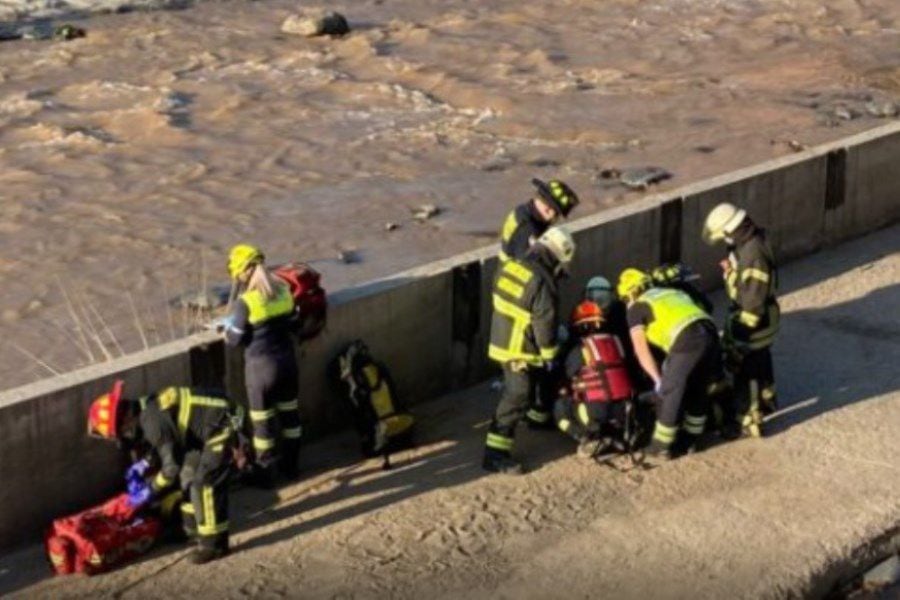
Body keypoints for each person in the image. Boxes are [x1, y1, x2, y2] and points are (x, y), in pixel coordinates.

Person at [87, 381, 239, 564]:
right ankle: (190, 530)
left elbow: (171, 469)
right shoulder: (145, 410)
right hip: (201, 434)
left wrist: (149, 490)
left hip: (224, 424)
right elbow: (165, 443)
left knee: (204, 484)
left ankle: (214, 545)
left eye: (120, 433)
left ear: (125, 420)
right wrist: (143, 464)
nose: (123, 438)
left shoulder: (151, 420)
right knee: (187, 479)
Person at [484, 226, 576, 474]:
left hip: (501, 337)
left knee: (535, 381)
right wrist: (550, 353)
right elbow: (544, 323)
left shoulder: (511, 265)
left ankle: (537, 418)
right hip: (519, 349)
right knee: (518, 394)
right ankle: (495, 453)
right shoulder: (543, 283)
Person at [617, 268, 724, 460]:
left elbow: (641, 350)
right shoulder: (672, 292)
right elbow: (704, 306)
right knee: (698, 387)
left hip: (686, 339)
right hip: (710, 333)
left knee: (670, 390)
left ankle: (660, 445)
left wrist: (658, 379)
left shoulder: (637, 308)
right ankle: (691, 440)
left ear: (630, 294)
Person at [222, 244, 302, 485]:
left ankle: (267, 473)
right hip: (288, 363)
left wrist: (226, 330)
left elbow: (233, 340)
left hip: (261, 370)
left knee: (262, 424)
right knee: (290, 418)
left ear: (242, 272)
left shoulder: (246, 303)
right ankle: (292, 466)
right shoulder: (284, 290)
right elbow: (294, 323)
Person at [703, 203, 779, 436]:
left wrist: (742, 335)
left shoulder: (753, 255)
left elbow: (752, 299)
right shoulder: (754, 242)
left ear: (730, 229)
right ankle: (768, 400)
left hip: (754, 323)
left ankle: (749, 420)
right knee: (761, 362)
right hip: (765, 319)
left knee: (746, 372)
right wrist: (731, 273)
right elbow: (749, 286)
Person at [554, 300, 636, 459]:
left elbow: (567, 376)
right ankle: (618, 435)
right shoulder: (618, 342)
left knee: (560, 406)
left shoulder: (581, 349)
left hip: (596, 411)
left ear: (580, 327)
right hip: (624, 410)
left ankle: (589, 437)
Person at [498, 178, 579, 263]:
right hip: (512, 271)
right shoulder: (528, 228)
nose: (555, 218)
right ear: (549, 209)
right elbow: (527, 264)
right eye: (557, 214)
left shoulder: (525, 210)